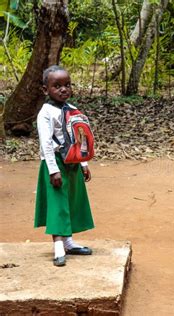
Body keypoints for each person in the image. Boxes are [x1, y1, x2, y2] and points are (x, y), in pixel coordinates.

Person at [34, 65, 94, 267]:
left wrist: (83, 162)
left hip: (72, 162)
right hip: (57, 163)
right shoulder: (45, 113)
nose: (63, 89)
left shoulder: (71, 109)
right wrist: (53, 170)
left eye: (67, 85)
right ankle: (58, 246)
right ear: (46, 89)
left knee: (71, 200)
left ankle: (69, 242)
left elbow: (79, 138)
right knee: (58, 204)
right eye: (56, 86)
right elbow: (46, 144)